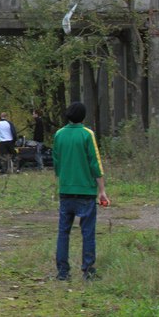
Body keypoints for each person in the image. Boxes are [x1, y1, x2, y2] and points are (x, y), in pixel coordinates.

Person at [53, 101, 109, 282]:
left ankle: (63, 272)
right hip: (85, 191)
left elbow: (56, 162)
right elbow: (95, 163)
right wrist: (102, 190)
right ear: (83, 117)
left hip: (66, 190)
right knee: (88, 232)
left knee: (63, 232)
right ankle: (88, 270)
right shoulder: (87, 134)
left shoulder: (59, 134)